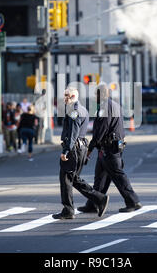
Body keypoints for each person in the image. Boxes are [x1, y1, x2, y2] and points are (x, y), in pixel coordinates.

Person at [78, 84, 141, 214]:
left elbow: (100, 131)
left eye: (96, 94)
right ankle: (93, 204)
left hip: (109, 149)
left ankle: (133, 201)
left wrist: (89, 150)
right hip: (110, 147)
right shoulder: (115, 105)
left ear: (101, 95)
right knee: (100, 179)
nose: (94, 97)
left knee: (118, 175)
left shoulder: (104, 108)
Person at [52, 87, 109, 220]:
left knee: (66, 179)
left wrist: (66, 151)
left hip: (74, 149)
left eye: (66, 95)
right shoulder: (82, 109)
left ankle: (69, 210)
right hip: (80, 148)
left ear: (72, 96)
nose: (64, 98)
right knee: (74, 179)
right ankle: (99, 199)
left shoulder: (74, 111)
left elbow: (73, 133)